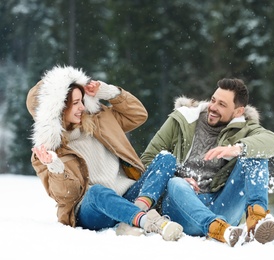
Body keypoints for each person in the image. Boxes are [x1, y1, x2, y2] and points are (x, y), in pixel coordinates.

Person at [26, 65, 183, 241]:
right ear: (59, 109)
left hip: (127, 196)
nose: (82, 108)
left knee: (165, 159)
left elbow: (138, 115)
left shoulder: (100, 119)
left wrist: (108, 92)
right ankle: (148, 221)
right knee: (96, 191)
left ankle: (134, 214)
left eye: (82, 101)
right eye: (76, 103)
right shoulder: (47, 152)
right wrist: (55, 167)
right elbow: (66, 197)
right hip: (91, 210)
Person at [141, 78, 274, 247]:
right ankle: (214, 227)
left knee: (254, 153)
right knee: (175, 182)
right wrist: (173, 176)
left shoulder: (244, 128)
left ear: (238, 111)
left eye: (222, 105)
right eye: (213, 100)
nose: (213, 107)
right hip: (181, 209)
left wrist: (238, 148)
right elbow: (147, 161)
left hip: (222, 208)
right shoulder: (183, 120)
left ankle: (256, 218)